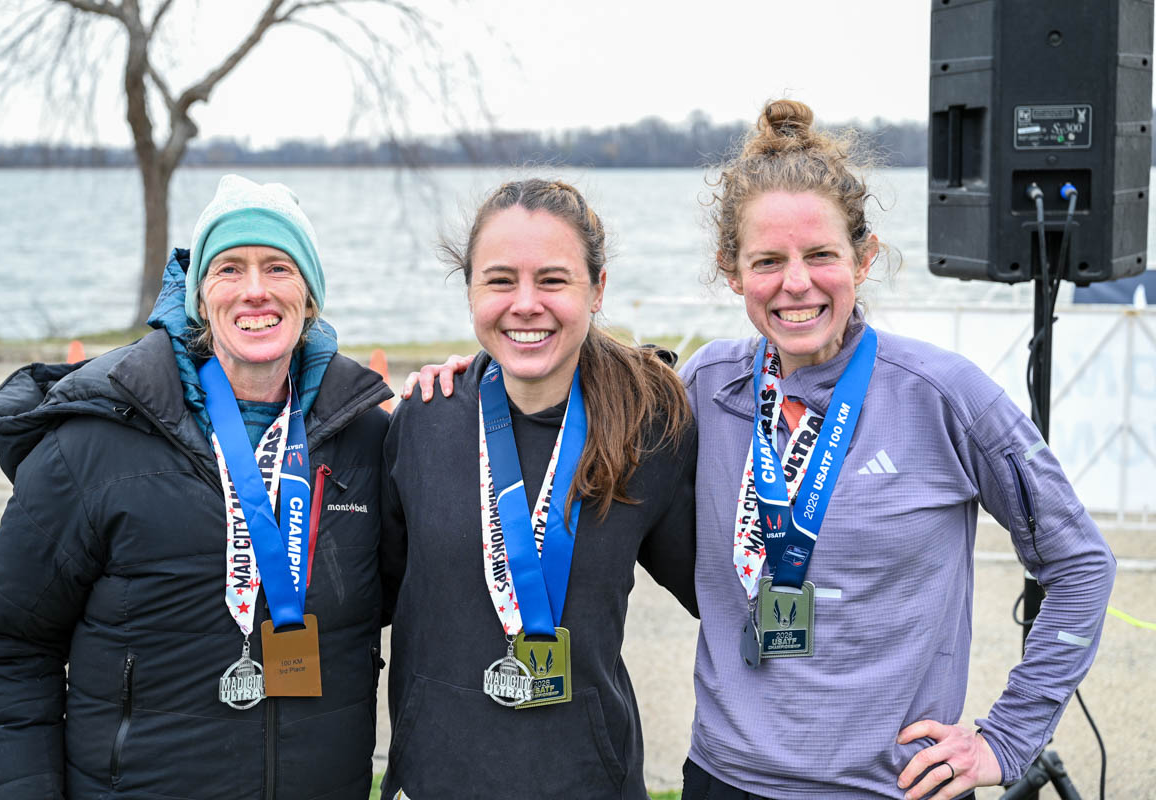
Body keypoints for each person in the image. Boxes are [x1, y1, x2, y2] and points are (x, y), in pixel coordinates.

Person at [405, 101, 1116, 800]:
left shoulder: (943, 395)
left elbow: (1079, 562)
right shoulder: (700, 389)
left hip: (892, 788)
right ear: (732, 270)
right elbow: (567, 367)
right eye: (768, 260)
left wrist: (1008, 738)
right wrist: (467, 379)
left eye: (821, 256)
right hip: (723, 780)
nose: (795, 283)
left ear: (864, 260)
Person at [0, 175, 391, 799]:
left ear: (310, 293)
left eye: (278, 267)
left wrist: (466, 396)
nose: (254, 291)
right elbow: (8, 643)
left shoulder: (367, 440)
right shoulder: (94, 441)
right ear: (199, 294)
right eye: (228, 269)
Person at [378, 178, 698, 799]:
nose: (526, 304)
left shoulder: (649, 428)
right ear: (469, 289)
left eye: (552, 280)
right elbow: (363, 600)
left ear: (597, 289)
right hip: (434, 782)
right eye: (500, 280)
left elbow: (724, 591)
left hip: (589, 782)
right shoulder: (425, 417)